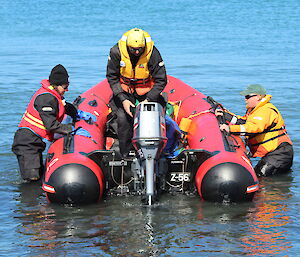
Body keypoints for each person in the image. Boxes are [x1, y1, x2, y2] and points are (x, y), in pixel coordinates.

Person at [106, 28, 167, 158]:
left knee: (153, 114)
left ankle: (157, 152)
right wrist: (123, 99)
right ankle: (126, 154)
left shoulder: (152, 53)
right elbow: (112, 77)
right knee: (123, 118)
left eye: (140, 48)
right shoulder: (116, 52)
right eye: (134, 49)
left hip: (146, 91)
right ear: (128, 47)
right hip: (125, 91)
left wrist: (149, 100)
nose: (137, 52)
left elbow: (161, 80)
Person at [12, 64, 78, 182]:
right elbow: (51, 125)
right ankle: (28, 200)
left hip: (34, 142)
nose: (66, 90)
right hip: (27, 143)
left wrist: (75, 113)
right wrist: (71, 128)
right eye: (65, 87)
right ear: (56, 85)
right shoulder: (46, 98)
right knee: (32, 178)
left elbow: (62, 106)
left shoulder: (52, 95)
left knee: (39, 175)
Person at [217, 84, 293, 177]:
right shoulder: (255, 110)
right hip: (272, 154)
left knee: (261, 178)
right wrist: (225, 115)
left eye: (248, 96)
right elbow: (243, 122)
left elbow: (253, 128)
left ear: (258, 97)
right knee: (262, 175)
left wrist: (230, 129)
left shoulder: (265, 110)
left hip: (279, 153)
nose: (245, 99)